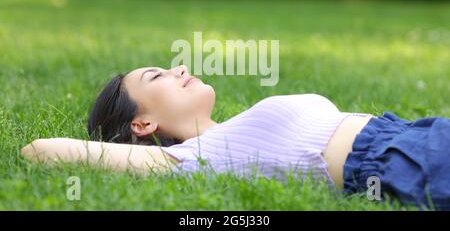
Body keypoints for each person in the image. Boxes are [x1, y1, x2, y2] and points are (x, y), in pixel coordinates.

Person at [21, 65, 450, 210]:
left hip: (414, 133)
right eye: (158, 76)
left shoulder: (229, 131)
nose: (179, 70)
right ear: (142, 125)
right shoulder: (192, 159)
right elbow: (39, 151)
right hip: (399, 157)